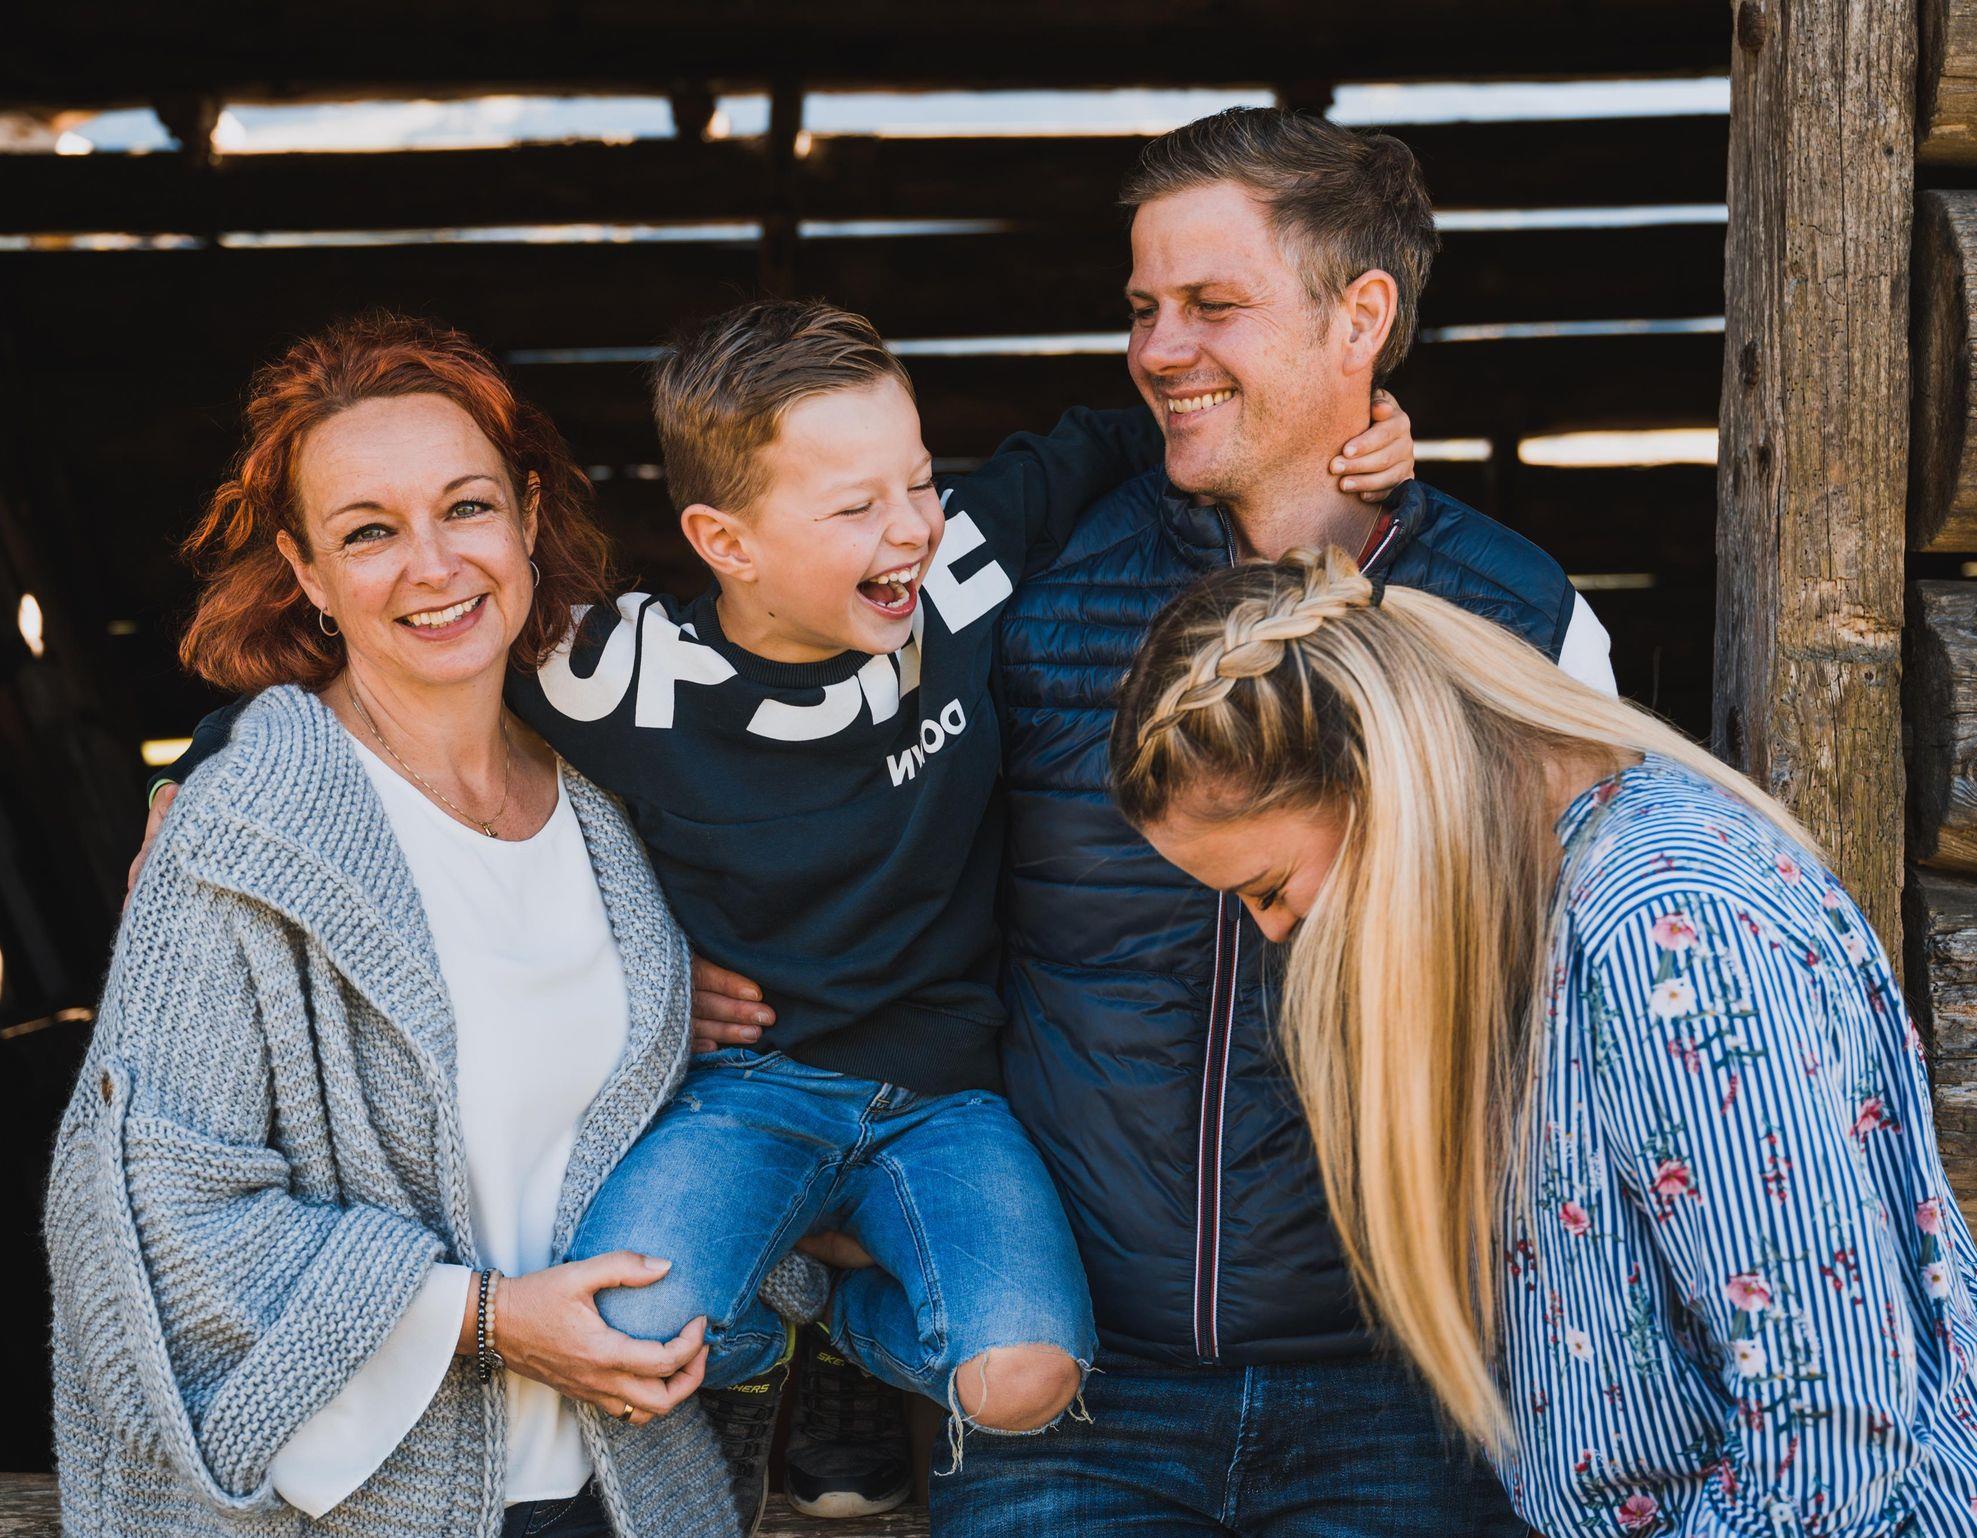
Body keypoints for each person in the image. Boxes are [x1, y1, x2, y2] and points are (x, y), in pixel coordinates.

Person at [140, 297, 1419, 1532]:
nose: (908, 525)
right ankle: (780, 1320)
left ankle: (850, 1330)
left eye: (916, 480)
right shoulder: (616, 672)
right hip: (744, 1097)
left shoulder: (959, 566)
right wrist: (196, 771)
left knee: (1025, 1380)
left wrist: (1340, 423)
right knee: (629, 1339)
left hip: (946, 1096)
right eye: (855, 505)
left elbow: (1119, 434)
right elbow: (386, 666)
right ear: (725, 541)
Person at [911, 107, 1614, 1535]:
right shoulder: (1041, 590)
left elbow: (1605, 990)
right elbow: (850, 796)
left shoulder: (1514, 614)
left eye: (1211, 304)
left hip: (1409, 1389)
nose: (1158, 347)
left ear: (1362, 317)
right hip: (1075, 1386)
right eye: (1142, 308)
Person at [1108, 545, 1977, 1536]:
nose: (1271, 929)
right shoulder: (1557, 894)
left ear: (1375, 775)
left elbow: (1829, 1423)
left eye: (1267, 886)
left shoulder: (1663, 928)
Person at [45, 313, 781, 1538]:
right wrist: (485, 1321)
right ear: (308, 572)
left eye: (466, 507)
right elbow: (147, 1213)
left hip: (627, 1490)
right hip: (361, 1508)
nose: (434, 564)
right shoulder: (245, 834)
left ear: (528, 516)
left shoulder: (615, 806)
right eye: (369, 531)